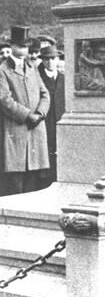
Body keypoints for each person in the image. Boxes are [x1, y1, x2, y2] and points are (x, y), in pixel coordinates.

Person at [0, 26, 51, 195]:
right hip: (16, 131)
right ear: (12, 46)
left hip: (36, 130)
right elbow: (4, 99)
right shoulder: (3, 70)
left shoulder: (32, 68)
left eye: (25, 45)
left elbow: (45, 94)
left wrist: (40, 114)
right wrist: (27, 115)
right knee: (16, 182)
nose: (23, 48)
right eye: (19, 45)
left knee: (34, 182)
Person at [37, 44, 64, 187]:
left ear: (58, 59)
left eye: (53, 58)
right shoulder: (38, 78)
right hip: (45, 121)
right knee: (46, 151)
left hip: (59, 120)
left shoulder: (63, 78)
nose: (50, 62)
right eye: (46, 59)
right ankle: (45, 181)